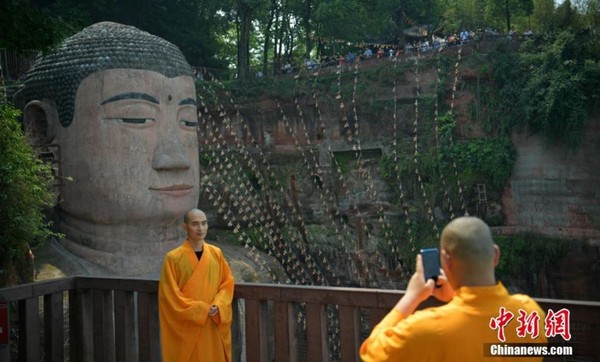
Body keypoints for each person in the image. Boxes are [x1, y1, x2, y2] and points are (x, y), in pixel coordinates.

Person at [14, 22, 200, 276]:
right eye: (136, 118)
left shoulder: (240, 271)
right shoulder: (44, 294)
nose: (177, 159)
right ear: (40, 129)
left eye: (188, 121)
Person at [360, 216, 547, 361]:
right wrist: (456, 296)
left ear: (447, 261)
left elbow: (372, 352)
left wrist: (411, 297)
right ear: (495, 255)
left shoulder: (428, 328)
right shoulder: (531, 313)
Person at [159, 208, 235, 362]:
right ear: (185, 227)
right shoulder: (173, 258)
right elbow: (169, 295)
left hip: (212, 322)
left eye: (204, 223)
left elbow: (227, 284)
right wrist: (199, 309)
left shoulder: (216, 253)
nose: (200, 228)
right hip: (187, 325)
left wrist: (218, 305)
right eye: (195, 224)